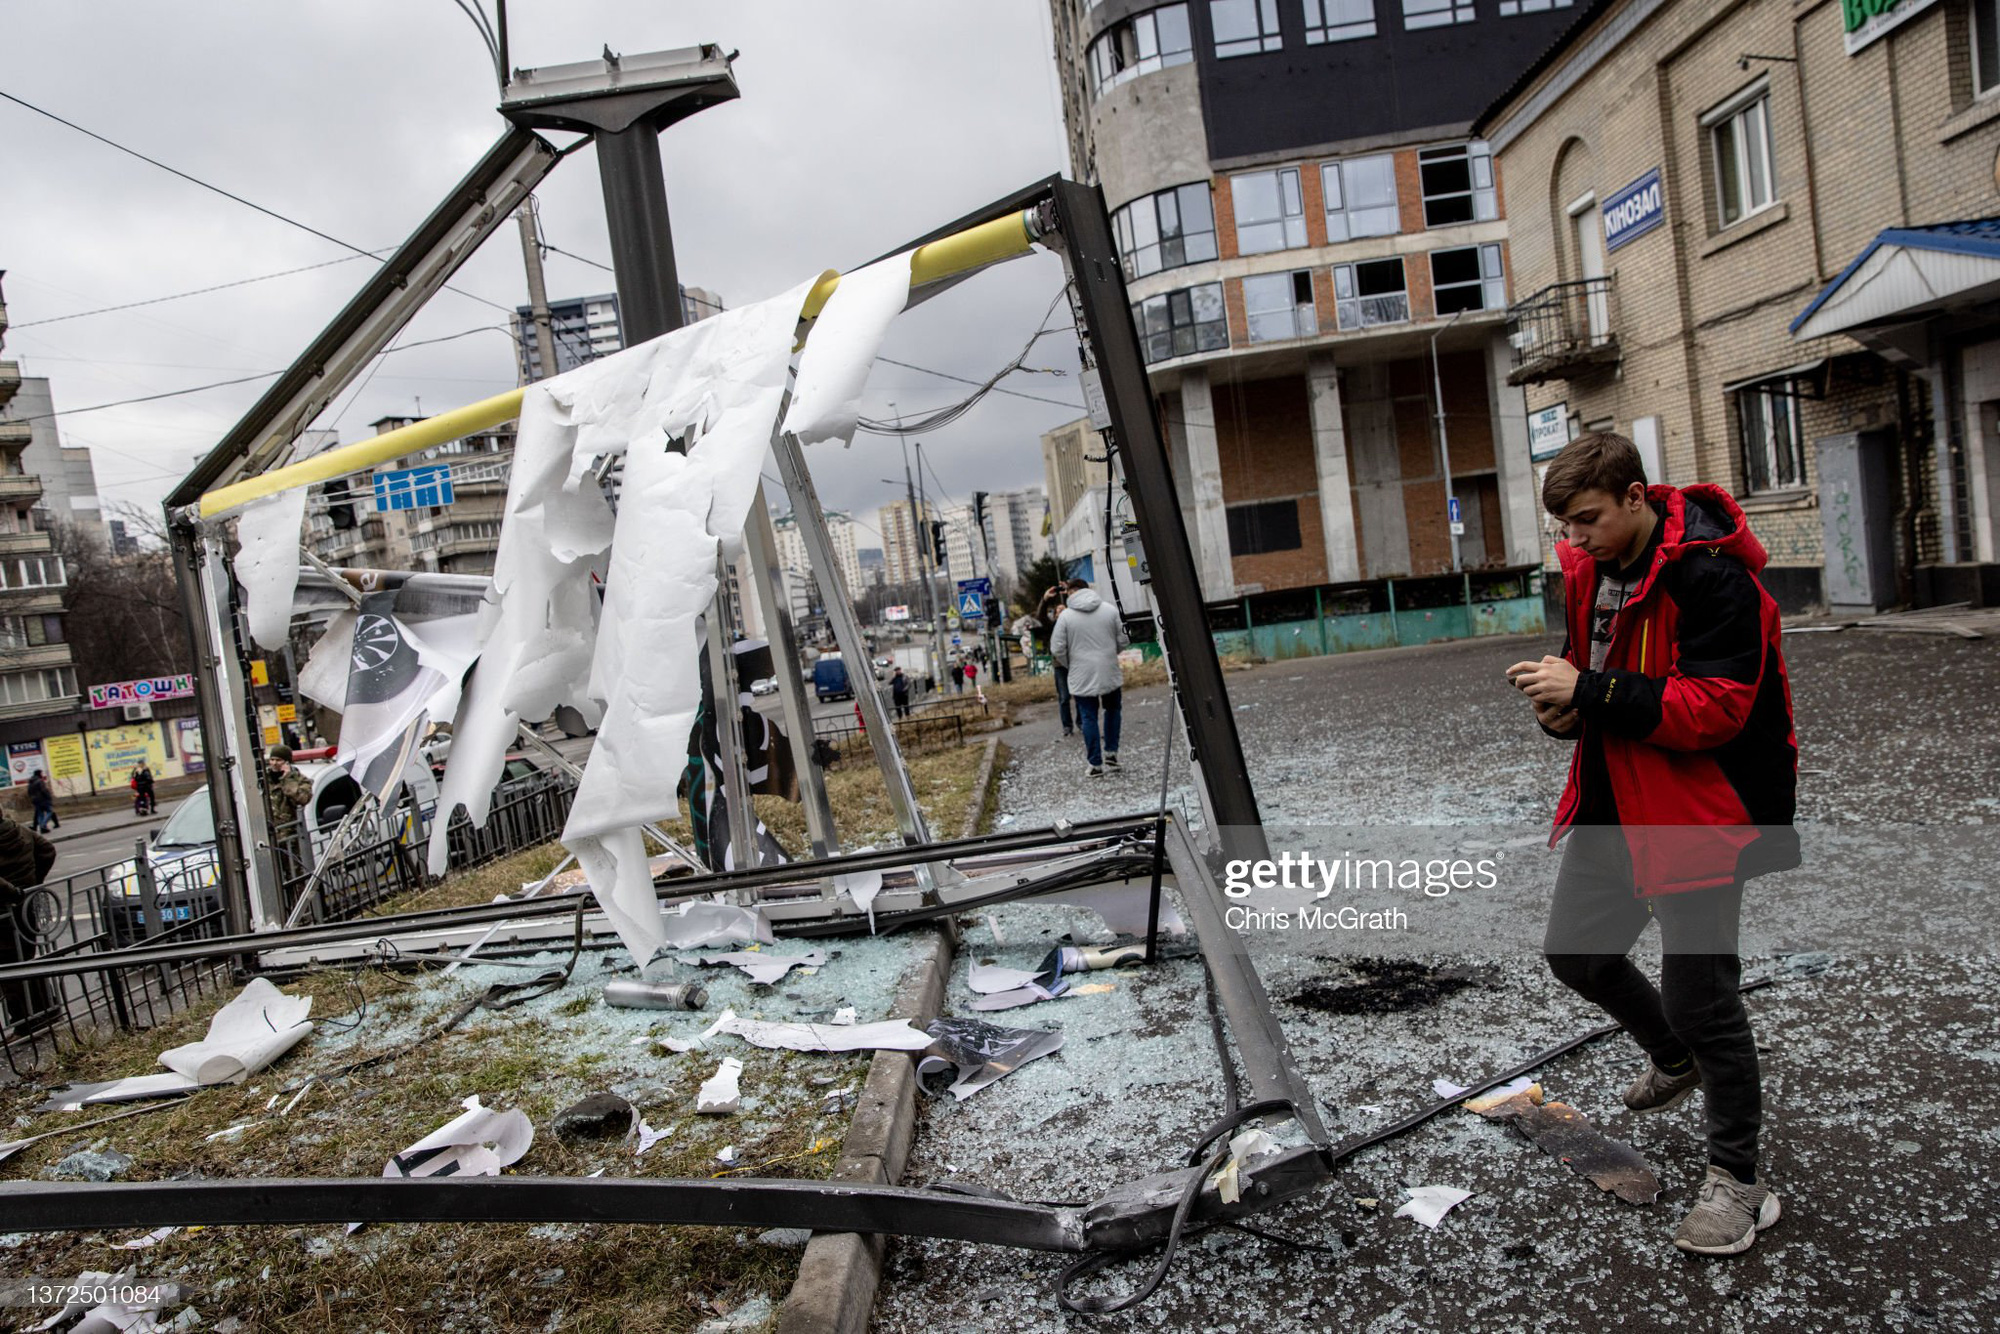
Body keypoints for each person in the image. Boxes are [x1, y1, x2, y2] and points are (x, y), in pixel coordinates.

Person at [1508, 431, 1798, 1259]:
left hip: (1703, 811)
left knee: (1702, 997)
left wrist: (1591, 690)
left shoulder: (1711, 572)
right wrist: (1561, 707)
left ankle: (1740, 1183)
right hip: (1617, 797)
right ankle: (1676, 1060)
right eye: (1564, 524)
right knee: (1578, 956)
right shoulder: (1589, 570)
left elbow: (1717, 708)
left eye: (1589, 519)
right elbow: (1590, 670)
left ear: (1637, 496)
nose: (1576, 539)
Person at [1050, 578, 1130, 777]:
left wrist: (1071, 663)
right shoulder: (1110, 610)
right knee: (1113, 709)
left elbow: (1056, 648)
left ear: (1071, 592)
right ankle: (1111, 752)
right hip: (1108, 668)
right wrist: (1110, 654)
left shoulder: (1066, 617)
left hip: (1080, 672)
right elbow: (1124, 639)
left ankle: (1095, 764)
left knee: (1088, 716)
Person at [0, 808, 58, 1034]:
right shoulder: (19, 830)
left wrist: (14, 892)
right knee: (26, 960)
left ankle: (26, 1024)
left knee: (8, 969)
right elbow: (47, 850)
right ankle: (46, 1011)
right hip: (26, 909)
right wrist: (32, 883)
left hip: (4, 912)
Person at [1036, 584, 1074, 737]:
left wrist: (1070, 593)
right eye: (1058, 611)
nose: (1060, 612)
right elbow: (1041, 617)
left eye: (1063, 609)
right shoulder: (1052, 626)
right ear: (1055, 615)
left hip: (1075, 663)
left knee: (1081, 695)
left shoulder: (1073, 623)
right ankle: (1067, 726)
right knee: (1064, 697)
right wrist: (1045, 600)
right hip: (1059, 665)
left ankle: (1081, 722)